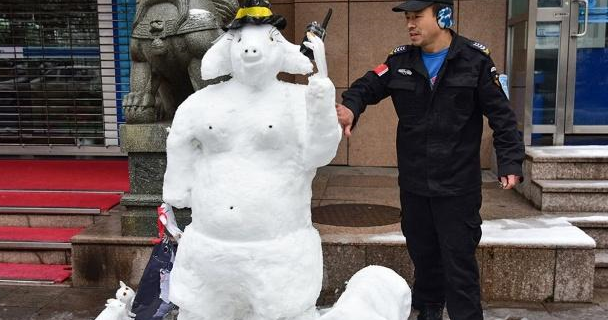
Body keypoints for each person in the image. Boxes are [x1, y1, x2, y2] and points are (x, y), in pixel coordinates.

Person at [335, 0, 525, 319]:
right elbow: (366, 86)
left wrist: (510, 161)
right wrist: (351, 107)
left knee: (458, 261)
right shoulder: (399, 61)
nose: (410, 24)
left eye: (417, 17)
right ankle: (429, 309)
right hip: (415, 183)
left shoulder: (474, 61)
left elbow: (502, 116)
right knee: (423, 253)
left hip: (457, 186)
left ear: (442, 16)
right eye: (407, 18)